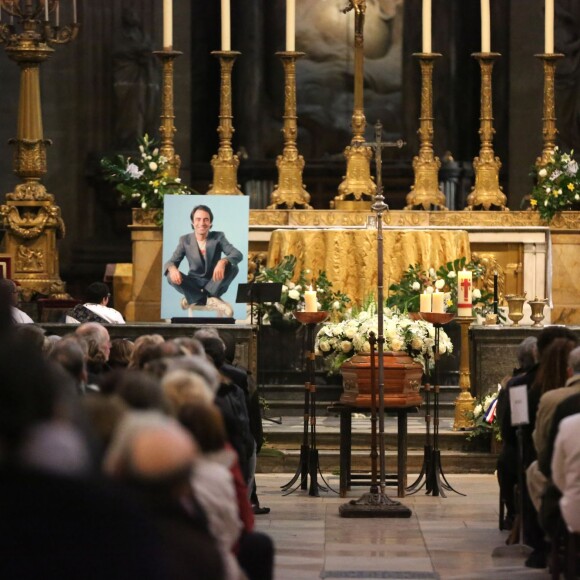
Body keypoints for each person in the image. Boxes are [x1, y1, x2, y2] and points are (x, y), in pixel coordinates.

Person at [164, 205, 242, 318]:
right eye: (198, 219)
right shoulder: (184, 240)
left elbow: (237, 254)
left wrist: (223, 261)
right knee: (170, 275)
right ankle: (209, 300)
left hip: (214, 283)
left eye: (206, 219)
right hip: (193, 283)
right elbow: (171, 261)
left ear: (210, 223)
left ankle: (193, 298)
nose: (202, 223)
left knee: (233, 267)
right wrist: (172, 268)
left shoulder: (218, 237)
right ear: (192, 222)